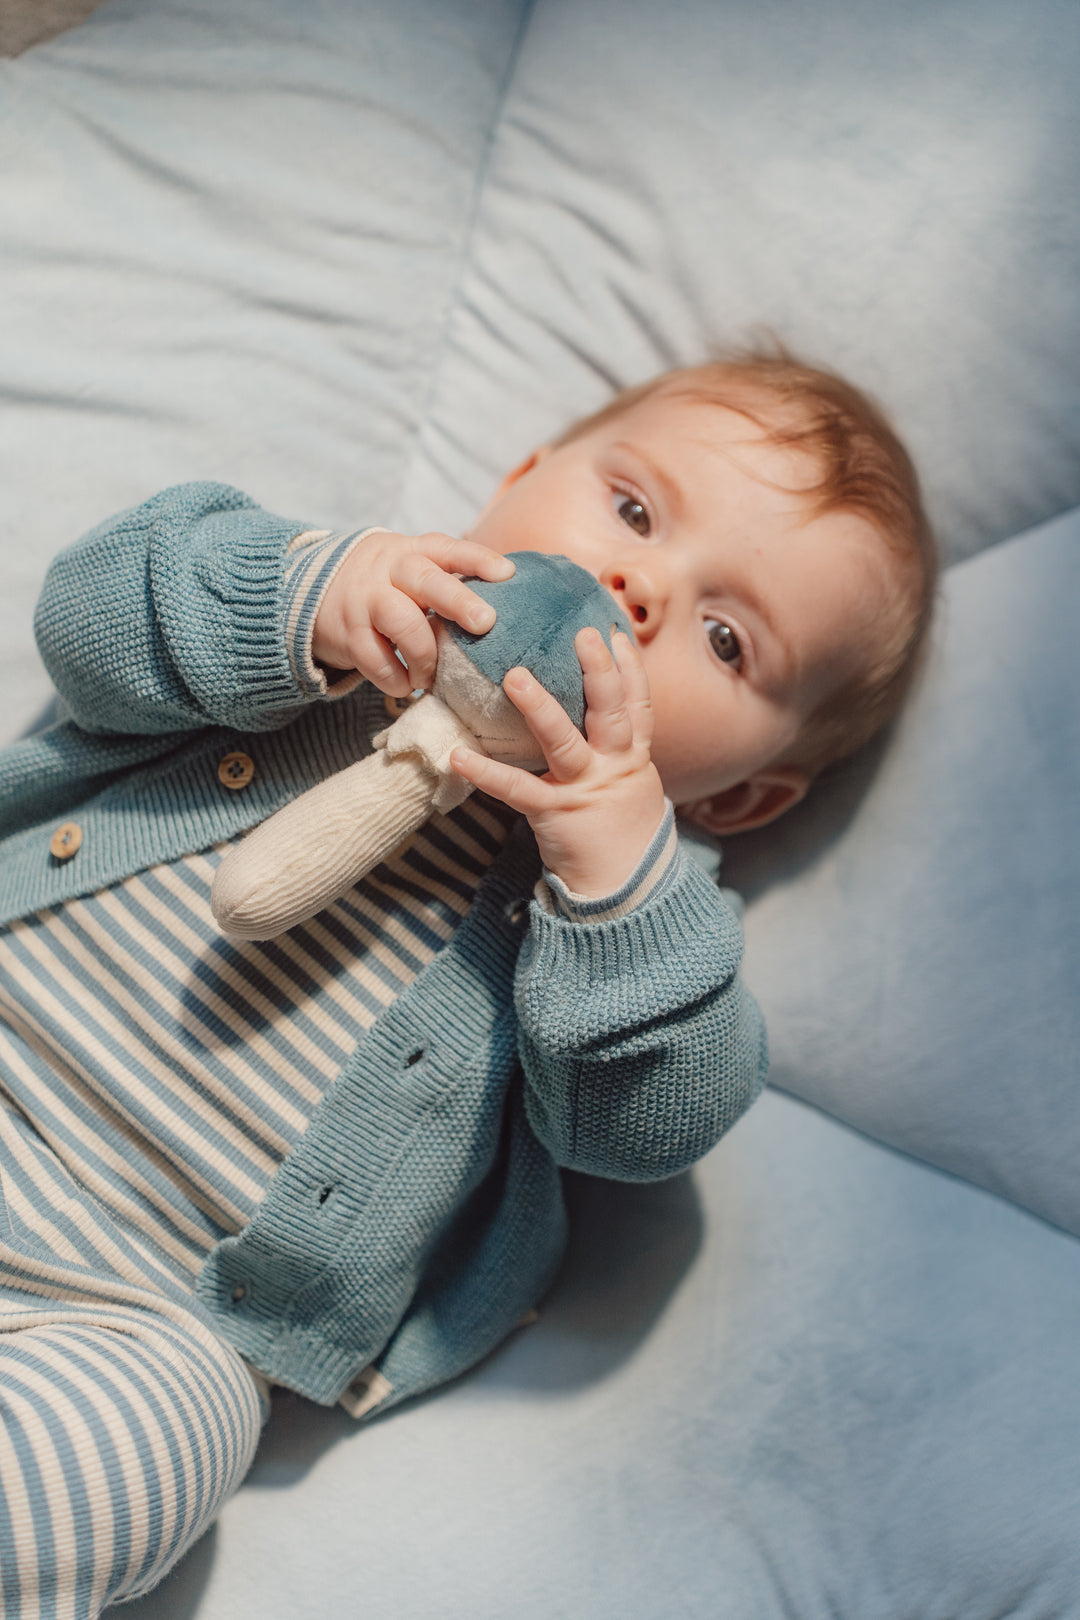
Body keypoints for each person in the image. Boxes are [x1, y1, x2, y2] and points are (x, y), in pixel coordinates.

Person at [0, 352, 935, 1614]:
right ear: (519, 479)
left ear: (744, 796)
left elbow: (648, 1127)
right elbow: (92, 616)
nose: (637, 590)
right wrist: (304, 595)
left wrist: (619, 884)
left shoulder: (643, 920)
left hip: (153, 1314)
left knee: (140, 1463)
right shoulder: (319, 631)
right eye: (634, 510)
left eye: (727, 639)